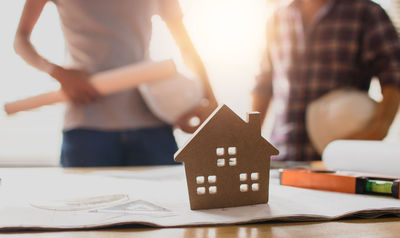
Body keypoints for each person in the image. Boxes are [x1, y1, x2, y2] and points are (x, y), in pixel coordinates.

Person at [14, 0, 217, 167]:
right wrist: (58, 73)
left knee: (171, 209)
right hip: (86, 126)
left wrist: (209, 102)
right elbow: (21, 39)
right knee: (86, 213)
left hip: (152, 122)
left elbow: (185, 45)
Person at [252, 0, 400, 161]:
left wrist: (379, 128)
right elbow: (263, 84)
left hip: (339, 162)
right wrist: (249, 139)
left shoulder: (366, 13)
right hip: (282, 157)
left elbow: (394, 73)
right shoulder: (277, 17)